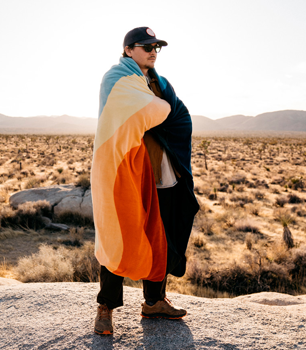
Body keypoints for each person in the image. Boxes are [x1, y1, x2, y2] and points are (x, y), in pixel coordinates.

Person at [91, 27, 199, 335]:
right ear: (128, 50)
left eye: (157, 47)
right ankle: (106, 307)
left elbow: (174, 114)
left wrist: (163, 111)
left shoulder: (159, 82)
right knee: (117, 232)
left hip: (163, 172)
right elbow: (150, 111)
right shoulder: (116, 79)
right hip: (128, 171)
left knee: (161, 236)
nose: (153, 51)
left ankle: (154, 301)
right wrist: (160, 109)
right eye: (146, 46)